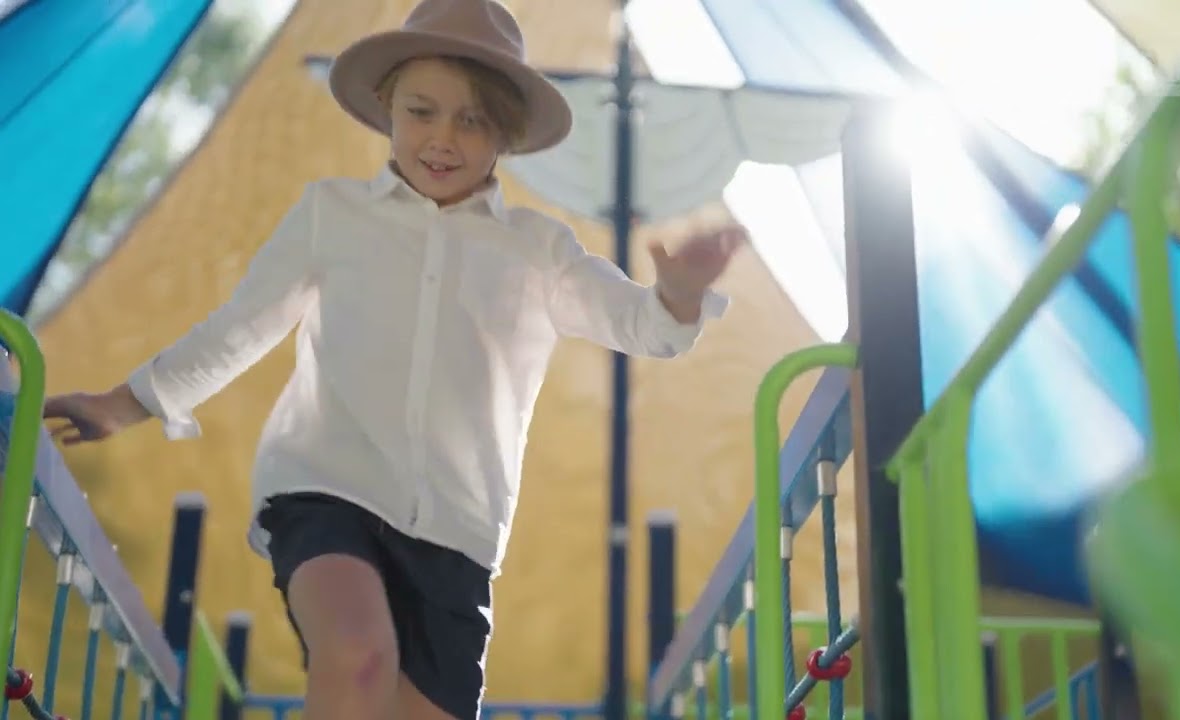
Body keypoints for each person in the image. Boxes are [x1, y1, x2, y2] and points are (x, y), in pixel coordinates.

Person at [42, 1, 743, 718]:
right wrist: (122, 403)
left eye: (472, 121)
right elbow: (240, 328)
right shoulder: (332, 214)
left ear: (505, 132)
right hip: (325, 491)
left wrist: (679, 295)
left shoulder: (539, 250)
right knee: (357, 653)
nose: (443, 138)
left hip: (456, 535)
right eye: (421, 112)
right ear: (386, 109)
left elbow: (644, 326)